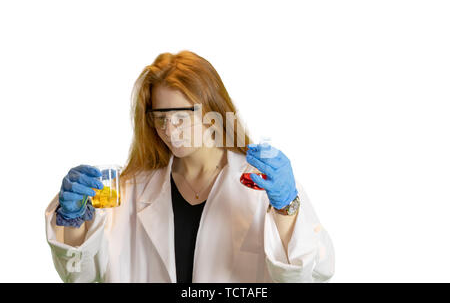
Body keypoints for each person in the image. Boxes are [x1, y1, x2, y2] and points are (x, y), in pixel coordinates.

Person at [45, 50, 335, 282]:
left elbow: (313, 274)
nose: (170, 129)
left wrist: (286, 208)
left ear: (213, 111)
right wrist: (72, 221)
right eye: (160, 117)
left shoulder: (261, 184)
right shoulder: (129, 190)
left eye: (181, 116)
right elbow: (80, 276)